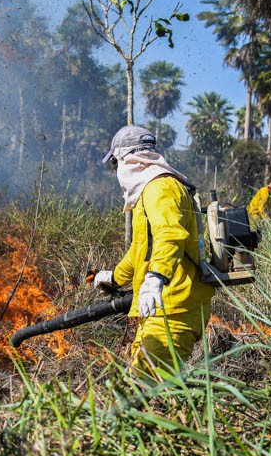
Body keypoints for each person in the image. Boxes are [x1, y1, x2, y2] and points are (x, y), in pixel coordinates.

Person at [91, 125, 215, 377]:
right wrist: (114, 277)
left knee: (145, 387)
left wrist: (156, 278)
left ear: (127, 158)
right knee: (140, 382)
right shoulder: (148, 190)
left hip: (174, 307)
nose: (115, 171)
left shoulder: (159, 188)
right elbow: (141, 249)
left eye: (114, 164)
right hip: (160, 307)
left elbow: (170, 234)